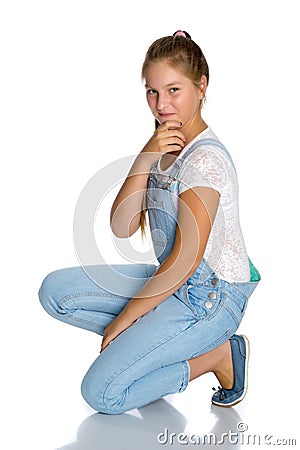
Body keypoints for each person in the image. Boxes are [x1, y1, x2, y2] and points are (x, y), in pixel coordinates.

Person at [39, 30, 261, 414]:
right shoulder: (163, 146)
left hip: (207, 299)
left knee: (102, 393)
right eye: (152, 92)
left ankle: (215, 356)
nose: (162, 104)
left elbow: (185, 262)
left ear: (201, 86)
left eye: (174, 90)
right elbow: (122, 226)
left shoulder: (205, 162)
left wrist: (125, 320)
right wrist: (145, 156)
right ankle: (150, 350)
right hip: (171, 282)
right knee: (55, 292)